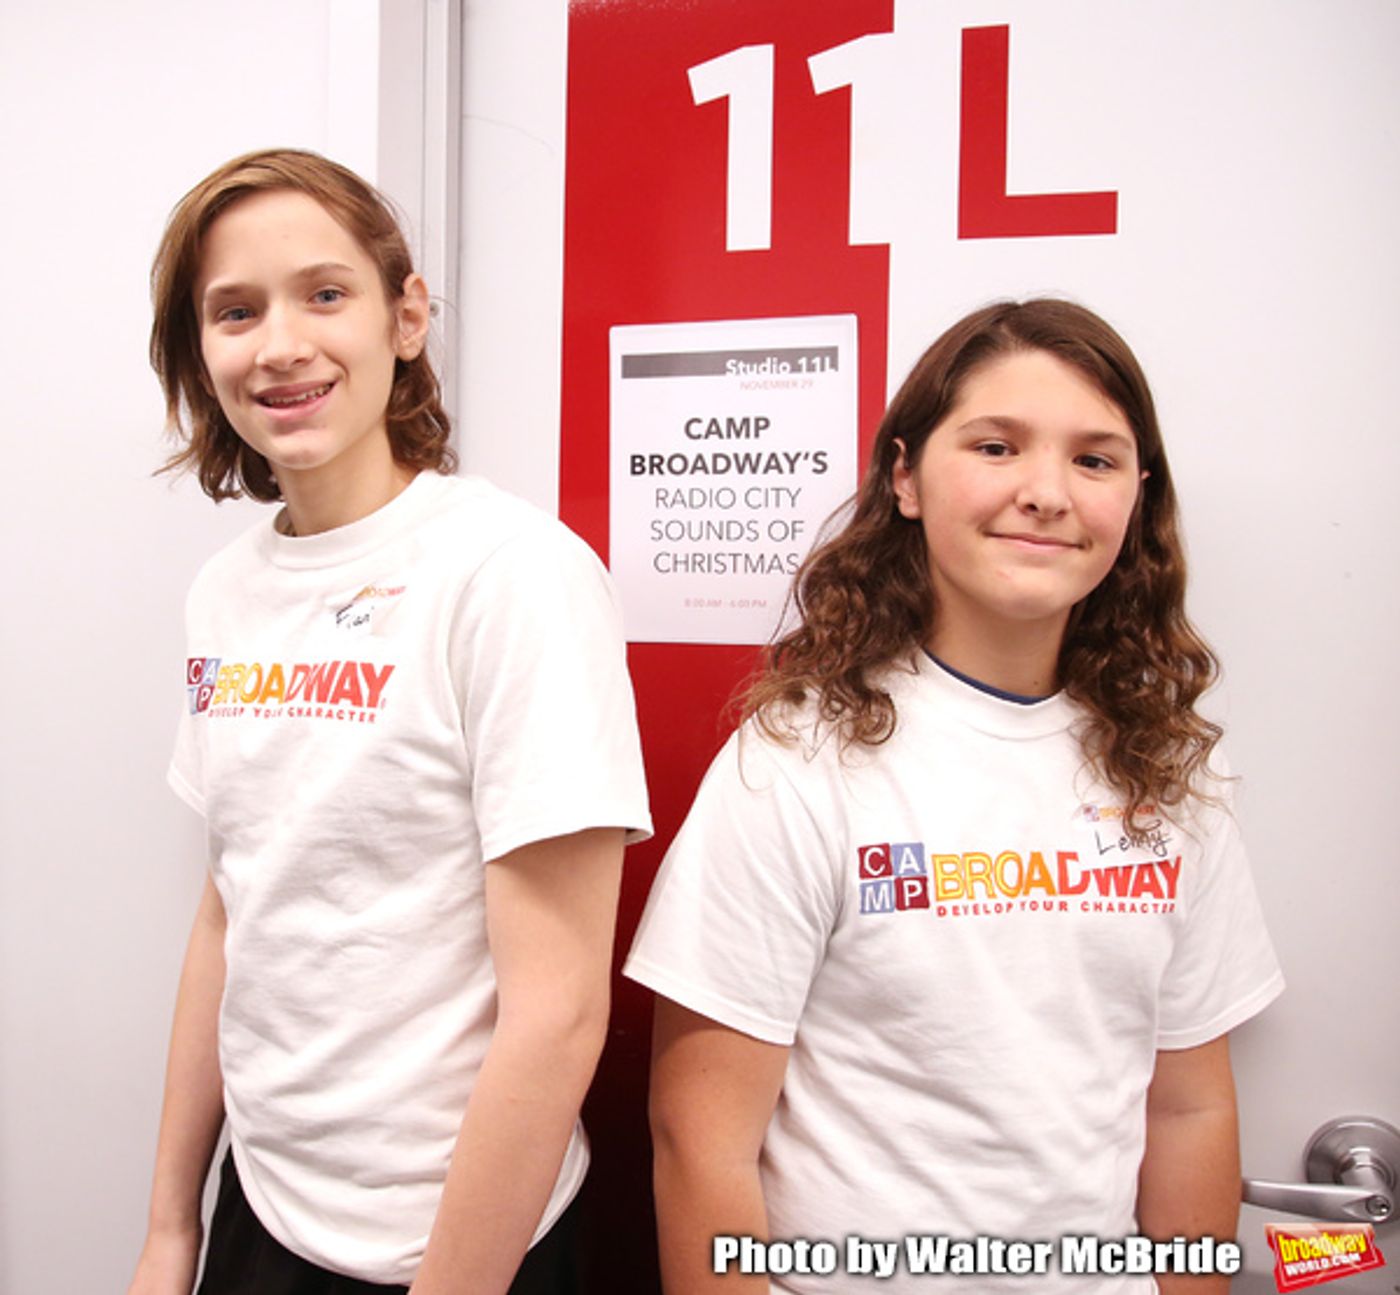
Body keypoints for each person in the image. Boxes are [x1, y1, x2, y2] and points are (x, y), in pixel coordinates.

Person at [625, 299, 1283, 1293]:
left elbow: (1186, 1108)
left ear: (1136, 499)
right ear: (903, 477)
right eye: (994, 445)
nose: (1046, 492)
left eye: (1094, 459)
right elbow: (697, 1138)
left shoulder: (1170, 771)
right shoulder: (796, 761)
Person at [128, 149, 650, 1295]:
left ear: (404, 314)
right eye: (235, 310)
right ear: (198, 350)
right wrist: (171, 1225)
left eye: (325, 293)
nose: (280, 344)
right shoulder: (224, 591)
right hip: (263, 1204)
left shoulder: (512, 574)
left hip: (463, 1233)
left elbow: (558, 1011)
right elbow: (234, 904)